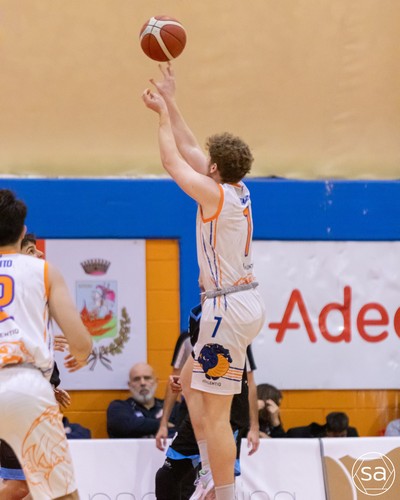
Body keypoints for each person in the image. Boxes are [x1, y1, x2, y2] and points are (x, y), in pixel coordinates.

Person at [143, 63, 265, 500]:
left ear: (214, 168)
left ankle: (224, 490)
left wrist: (160, 117)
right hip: (243, 303)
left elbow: (172, 161)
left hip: (225, 308)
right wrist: (171, 101)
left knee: (215, 414)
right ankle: (211, 474)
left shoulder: (214, 196)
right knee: (190, 382)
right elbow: (191, 147)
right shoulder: (237, 189)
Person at [0, 189, 93, 500]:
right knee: (62, 495)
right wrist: (82, 353)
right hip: (25, 386)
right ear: (22, 231)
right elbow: (80, 343)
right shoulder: (42, 270)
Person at [155, 305, 260, 500]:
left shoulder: (236, 327)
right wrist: (164, 421)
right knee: (166, 477)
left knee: (217, 489)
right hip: (197, 412)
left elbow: (250, 382)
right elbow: (193, 363)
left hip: (228, 414)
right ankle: (207, 473)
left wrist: (254, 426)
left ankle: (210, 475)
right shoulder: (195, 315)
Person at [107, 361, 180, 439]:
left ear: (156, 382)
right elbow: (123, 425)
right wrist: (163, 425)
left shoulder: (173, 407)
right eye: (136, 379)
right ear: (129, 385)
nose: (142, 383)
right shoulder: (119, 407)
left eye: (147, 378)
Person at [286, 412, 359, 438]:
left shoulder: (352, 434)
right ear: (327, 432)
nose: (339, 440)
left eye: (342, 436)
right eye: (336, 436)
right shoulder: (313, 435)